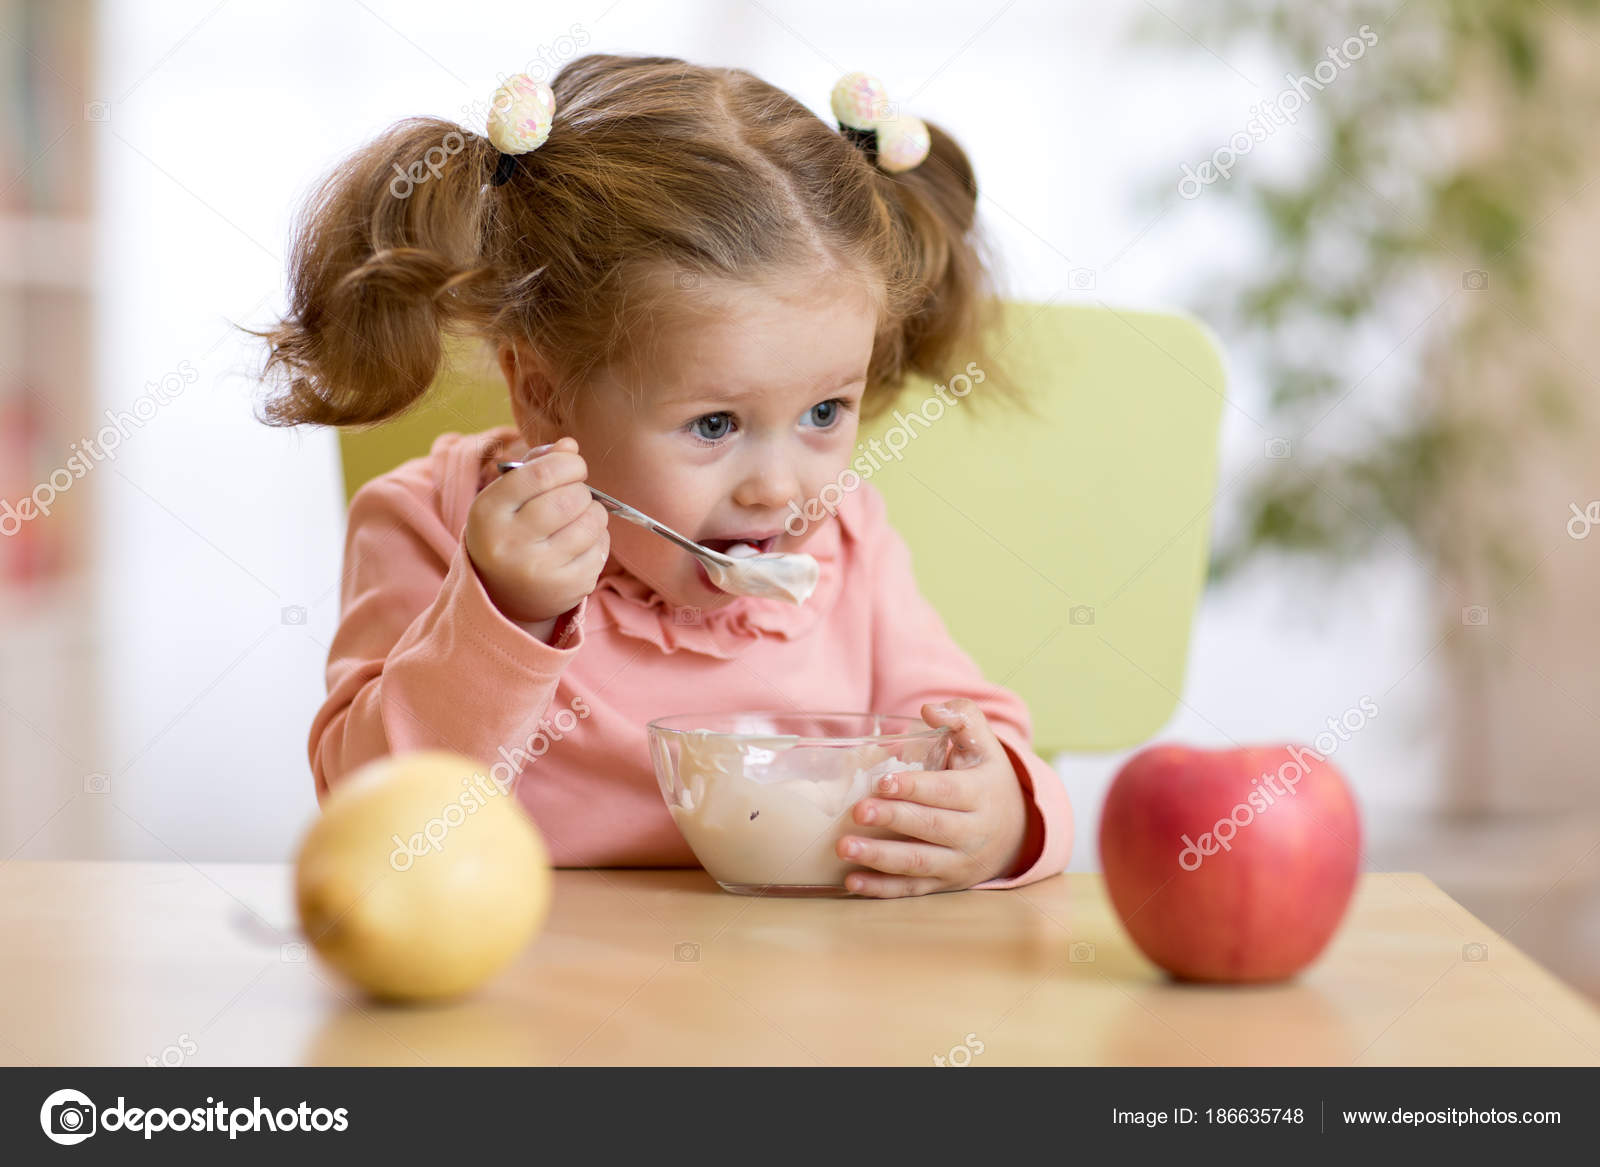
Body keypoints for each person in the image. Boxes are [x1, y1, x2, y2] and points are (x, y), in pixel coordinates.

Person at [254, 54, 1073, 897]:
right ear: (543, 394)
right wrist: (504, 615)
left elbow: (975, 730)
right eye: (715, 424)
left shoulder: (850, 541)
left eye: (825, 413)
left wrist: (998, 814)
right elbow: (367, 807)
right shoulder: (426, 525)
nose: (780, 490)